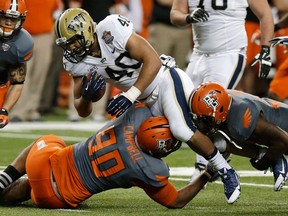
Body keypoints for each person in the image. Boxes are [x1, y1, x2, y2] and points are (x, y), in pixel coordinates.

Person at [54, 8, 240, 203]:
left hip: (164, 79)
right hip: (143, 100)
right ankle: (213, 154)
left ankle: (227, 170)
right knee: (148, 141)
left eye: (73, 41)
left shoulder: (110, 28)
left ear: (85, 30)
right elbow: (82, 110)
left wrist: (129, 96)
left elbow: (152, 60)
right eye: (67, 45)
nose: (71, 48)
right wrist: (86, 96)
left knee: (182, 128)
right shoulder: (76, 62)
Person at [0, 104, 214, 209]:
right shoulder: (149, 169)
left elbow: (150, 102)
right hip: (56, 199)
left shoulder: (133, 118)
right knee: (33, 188)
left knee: (51, 140)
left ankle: (6, 178)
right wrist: (205, 176)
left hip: (40, 166)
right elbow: (175, 201)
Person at [170, 0, 274, 183]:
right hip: (198, 55)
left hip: (229, 55)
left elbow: (265, 14)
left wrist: (265, 50)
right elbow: (175, 14)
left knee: (207, 112)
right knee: (183, 109)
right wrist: (188, 17)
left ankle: (204, 166)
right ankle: (257, 152)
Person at [188, 81, 288, 191]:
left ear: (219, 110)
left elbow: (284, 140)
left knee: (224, 141)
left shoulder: (240, 120)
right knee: (220, 142)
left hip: (283, 136)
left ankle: (278, 159)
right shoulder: (227, 103)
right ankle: (270, 157)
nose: (201, 125)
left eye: (204, 120)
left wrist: (266, 161)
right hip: (279, 131)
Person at [9, 0, 60, 122]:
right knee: (21, 75)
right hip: (22, 34)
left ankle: (32, 110)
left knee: (40, 74)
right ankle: (18, 111)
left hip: (45, 36)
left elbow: (57, 12)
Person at [0, 0, 33, 129]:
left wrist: (4, 110)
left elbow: (17, 83)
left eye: (13, 19)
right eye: (5, 18)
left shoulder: (22, 43)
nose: (8, 22)